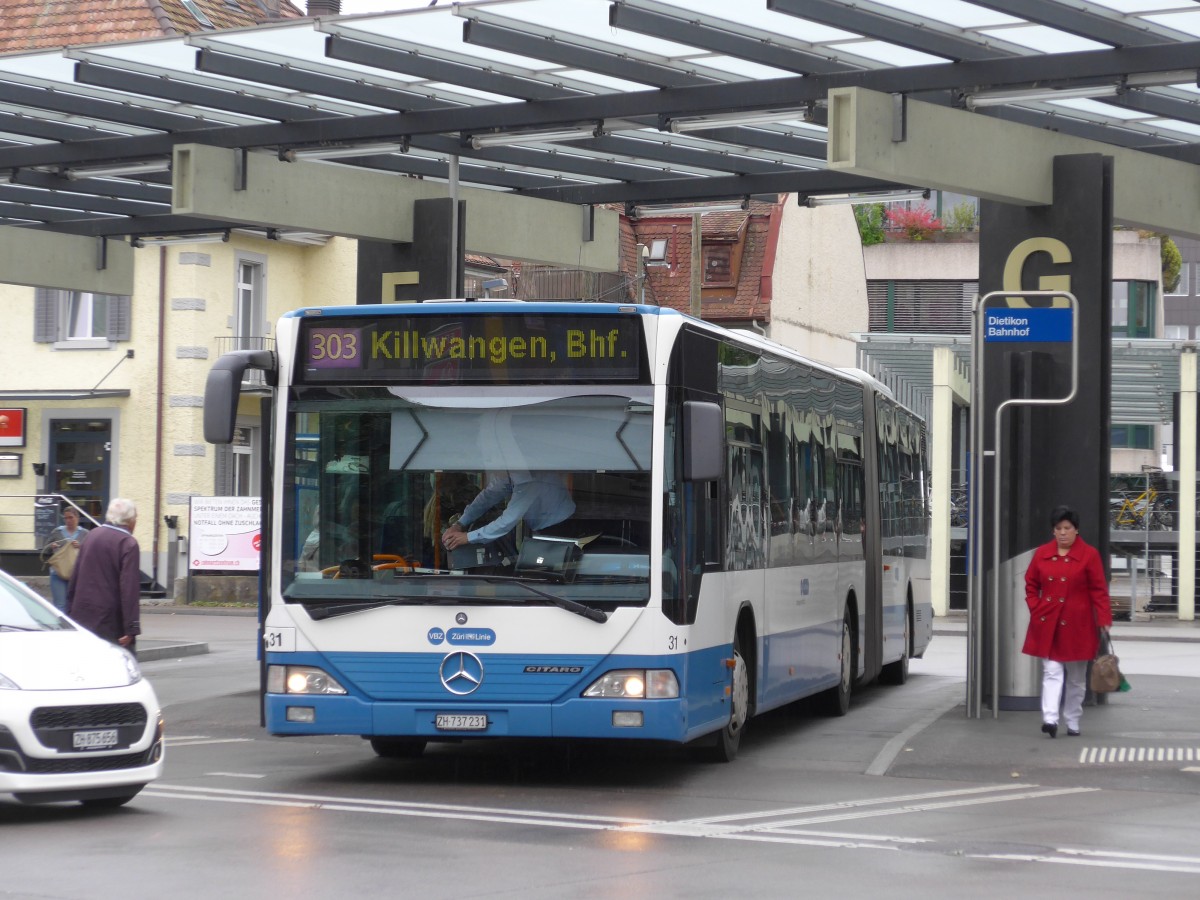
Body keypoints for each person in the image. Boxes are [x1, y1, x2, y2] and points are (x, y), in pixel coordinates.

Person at [1022, 505, 1112, 739]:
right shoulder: (1042, 553)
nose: (1062, 533)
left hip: (1078, 625)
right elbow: (1031, 584)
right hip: (1048, 622)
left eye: (1067, 528)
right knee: (1052, 672)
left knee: (1076, 678)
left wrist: (1103, 619)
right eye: (1058, 528)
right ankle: (1050, 719)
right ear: (1053, 531)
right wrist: (1036, 607)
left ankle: (1072, 720)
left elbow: (1099, 590)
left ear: (1076, 530)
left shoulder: (1089, 555)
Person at [66, 498, 141, 652]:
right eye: (136, 518)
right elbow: (129, 589)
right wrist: (131, 627)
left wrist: (69, 612)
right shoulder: (128, 543)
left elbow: (76, 575)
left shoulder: (92, 535)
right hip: (111, 623)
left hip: (83, 617)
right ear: (130, 521)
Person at [441, 470, 574, 552]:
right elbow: (487, 497)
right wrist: (459, 524)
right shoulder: (510, 473)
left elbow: (508, 520)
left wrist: (467, 537)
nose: (491, 473)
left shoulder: (530, 480)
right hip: (542, 524)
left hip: (560, 527)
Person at [43, 505, 88, 612]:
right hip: (58, 573)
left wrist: (81, 546)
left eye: (71, 517)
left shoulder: (85, 533)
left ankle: (73, 627)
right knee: (60, 606)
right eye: (66, 518)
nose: (68, 520)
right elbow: (45, 550)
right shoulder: (57, 532)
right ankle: (62, 628)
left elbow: (91, 553)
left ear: (77, 518)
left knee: (74, 605)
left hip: (76, 574)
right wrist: (52, 546)